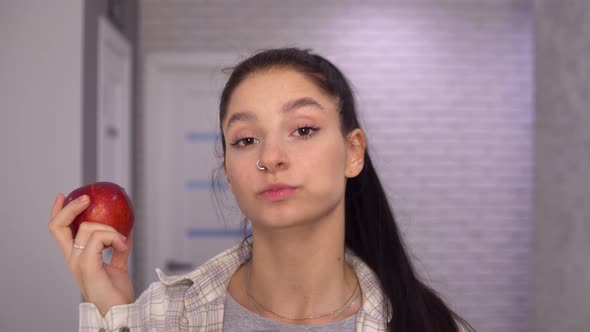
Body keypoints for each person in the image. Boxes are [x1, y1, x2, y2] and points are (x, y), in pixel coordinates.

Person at [49, 48, 475, 332]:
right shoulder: (163, 316)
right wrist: (111, 312)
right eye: (245, 140)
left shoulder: (426, 322)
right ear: (229, 172)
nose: (270, 157)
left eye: (303, 130)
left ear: (353, 153)